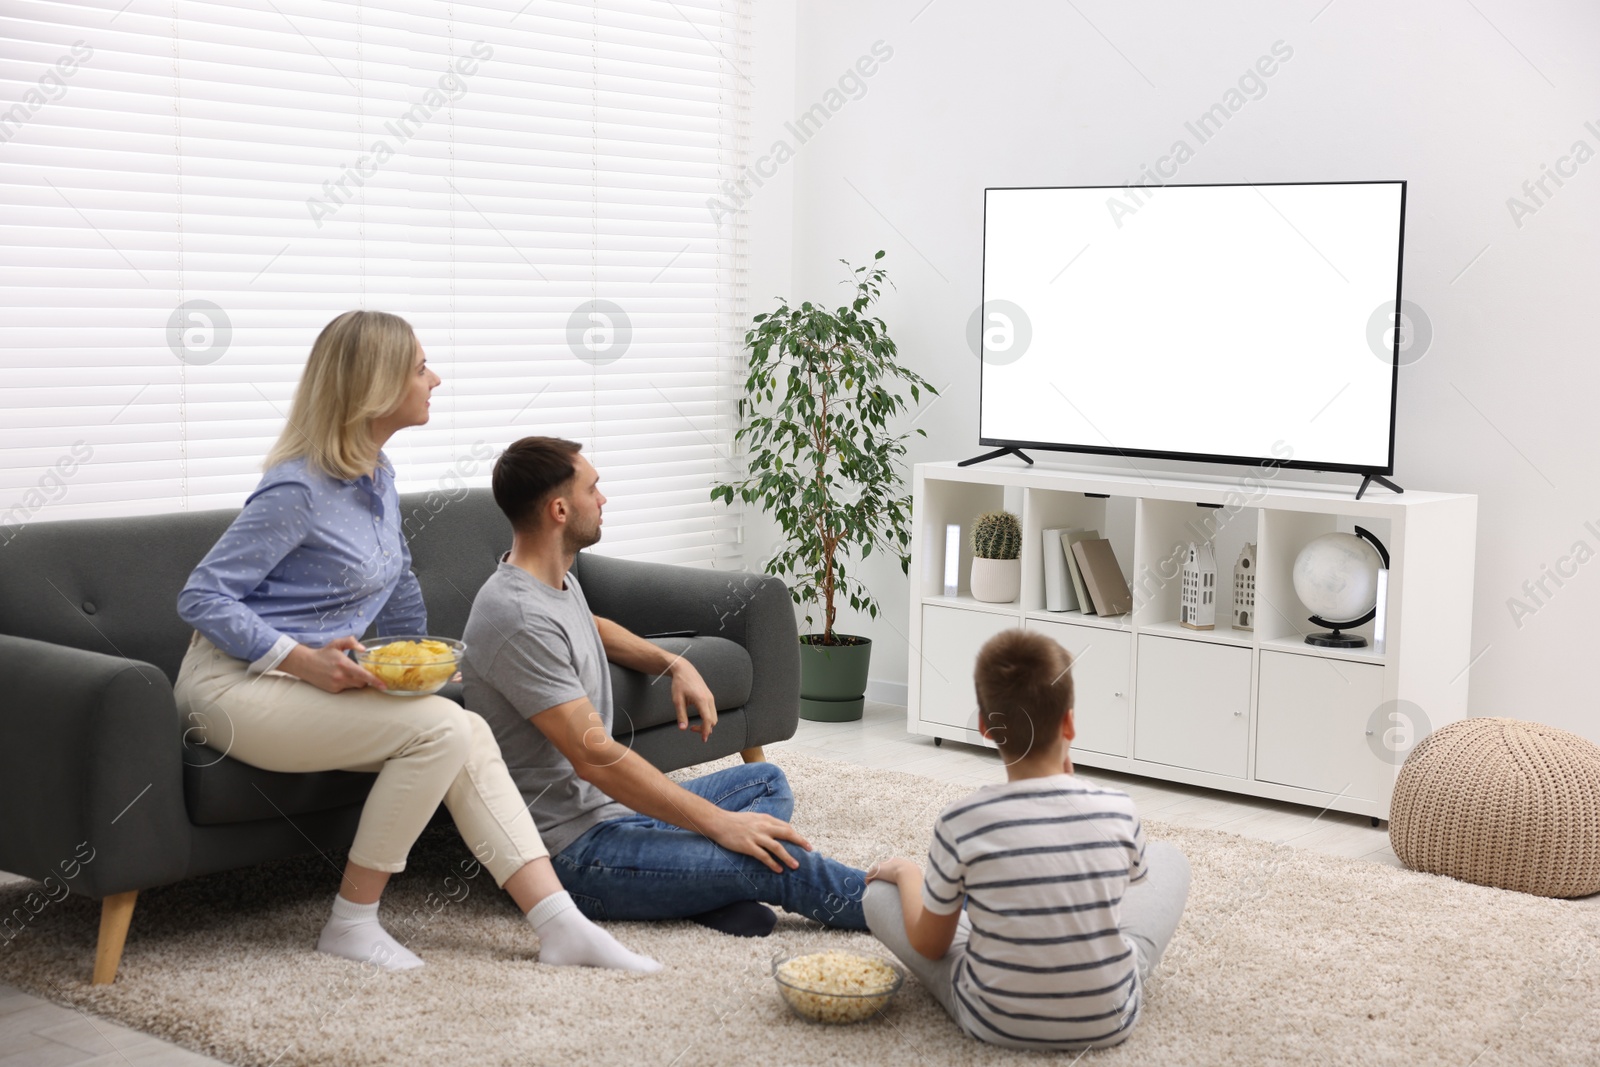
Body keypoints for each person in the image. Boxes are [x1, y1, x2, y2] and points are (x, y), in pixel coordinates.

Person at [173, 311, 659, 973]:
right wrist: (300, 659)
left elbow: (399, 578)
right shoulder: (297, 487)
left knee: (460, 724)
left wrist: (424, 666)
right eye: (419, 366)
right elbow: (201, 596)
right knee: (438, 731)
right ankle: (350, 921)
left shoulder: (377, 474)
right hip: (231, 685)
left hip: (307, 679)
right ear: (376, 384)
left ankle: (560, 923)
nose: (435, 377)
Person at [460, 435, 868, 937]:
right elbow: (596, 757)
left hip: (614, 816)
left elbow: (590, 627)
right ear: (560, 509)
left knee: (765, 782)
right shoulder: (516, 614)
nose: (603, 499)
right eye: (594, 488)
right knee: (774, 861)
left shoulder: (551, 580)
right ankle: (915, 913)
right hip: (573, 856)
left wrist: (674, 663)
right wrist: (720, 826)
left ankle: (701, 885)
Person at [864, 628, 1190, 1051]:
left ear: (985, 727)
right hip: (1108, 1020)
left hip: (993, 1020)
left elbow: (930, 943)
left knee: (876, 896)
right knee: (1169, 860)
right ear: (1069, 723)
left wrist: (908, 872)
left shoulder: (961, 821)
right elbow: (1123, 893)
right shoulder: (1117, 808)